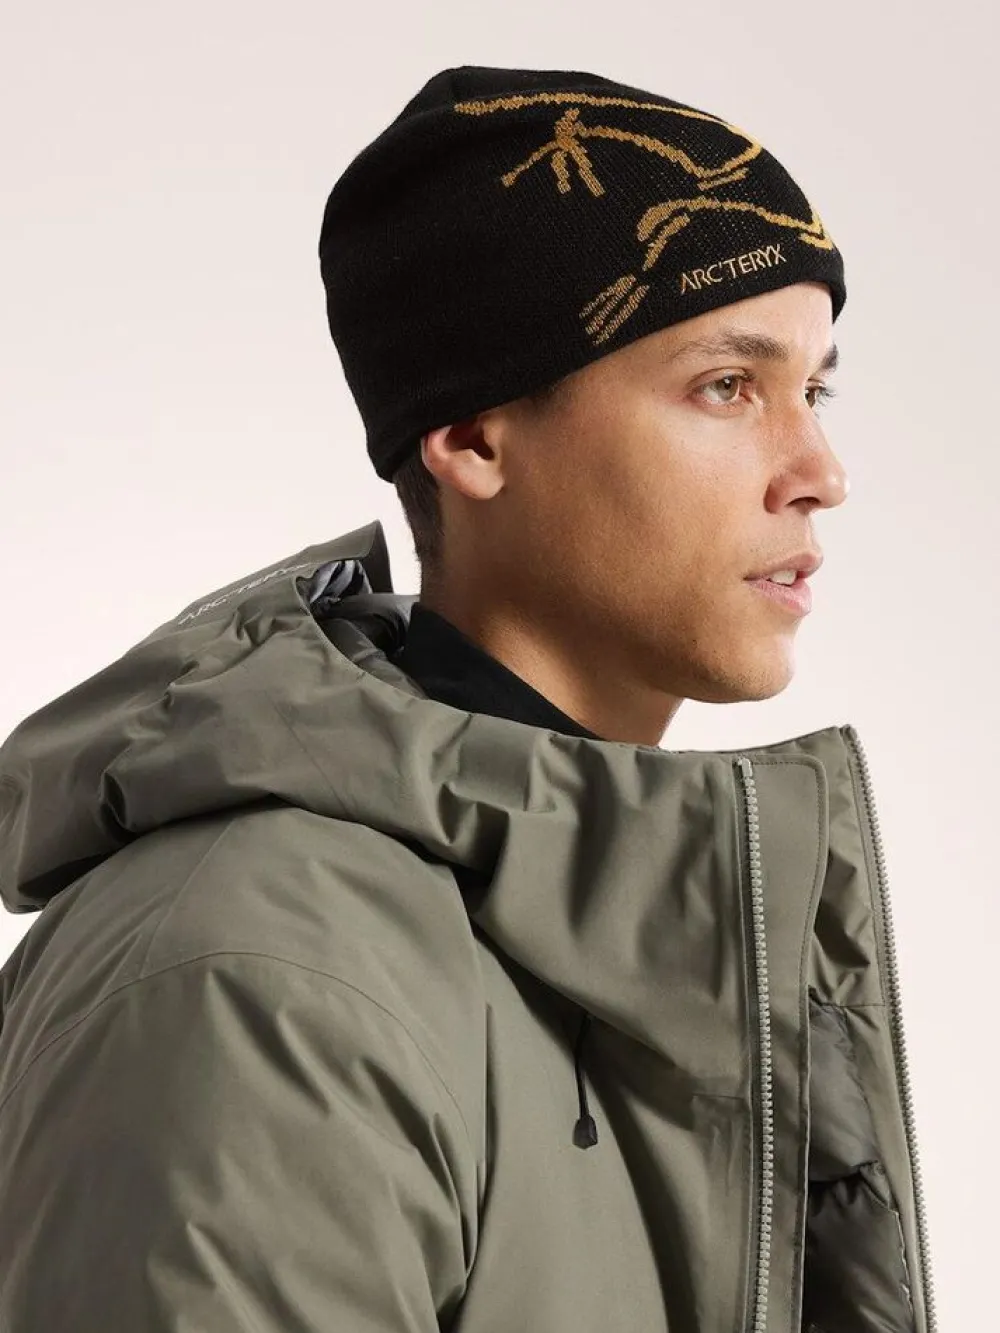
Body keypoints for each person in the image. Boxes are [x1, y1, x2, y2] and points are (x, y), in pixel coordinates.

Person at [0, 64, 936, 1332]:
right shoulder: (267, 977)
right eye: (727, 385)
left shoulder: (630, 933)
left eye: (812, 389)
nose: (819, 471)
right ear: (474, 436)